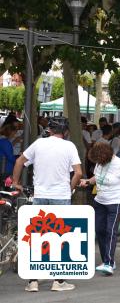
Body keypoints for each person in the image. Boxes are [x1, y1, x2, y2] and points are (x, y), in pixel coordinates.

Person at [12, 116, 82, 292]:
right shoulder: (69, 146)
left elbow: (20, 161)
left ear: (49, 130)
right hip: (61, 196)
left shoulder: (38, 144)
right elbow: (78, 173)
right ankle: (58, 281)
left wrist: (15, 181)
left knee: (38, 236)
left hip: (40, 195)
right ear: (66, 132)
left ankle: (32, 281)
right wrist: (70, 189)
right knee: (61, 237)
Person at [79, 143, 120, 275]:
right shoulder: (100, 162)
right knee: (99, 230)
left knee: (111, 231)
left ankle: (109, 263)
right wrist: (87, 181)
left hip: (115, 202)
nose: (98, 164)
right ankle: (107, 261)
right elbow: (97, 177)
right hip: (100, 201)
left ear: (106, 158)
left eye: (99, 162)